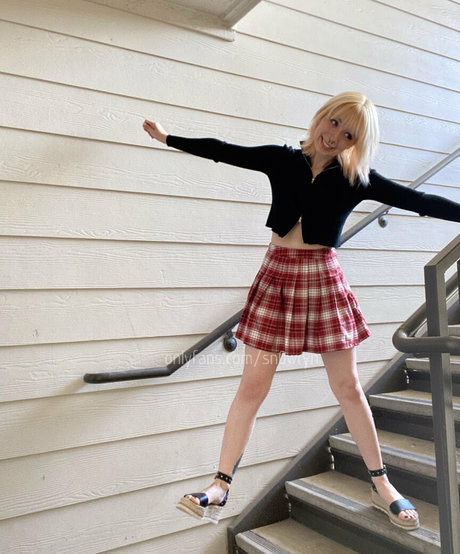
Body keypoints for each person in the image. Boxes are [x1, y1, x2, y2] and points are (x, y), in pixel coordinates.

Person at [143, 91, 460, 531]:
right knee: (252, 387)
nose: (335, 136)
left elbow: (420, 200)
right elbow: (225, 151)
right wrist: (168, 138)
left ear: (357, 143)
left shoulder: (356, 179)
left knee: (347, 387)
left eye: (348, 134)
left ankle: (381, 484)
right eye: (334, 122)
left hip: (322, 278)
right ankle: (219, 486)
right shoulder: (283, 159)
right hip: (275, 276)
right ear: (322, 117)